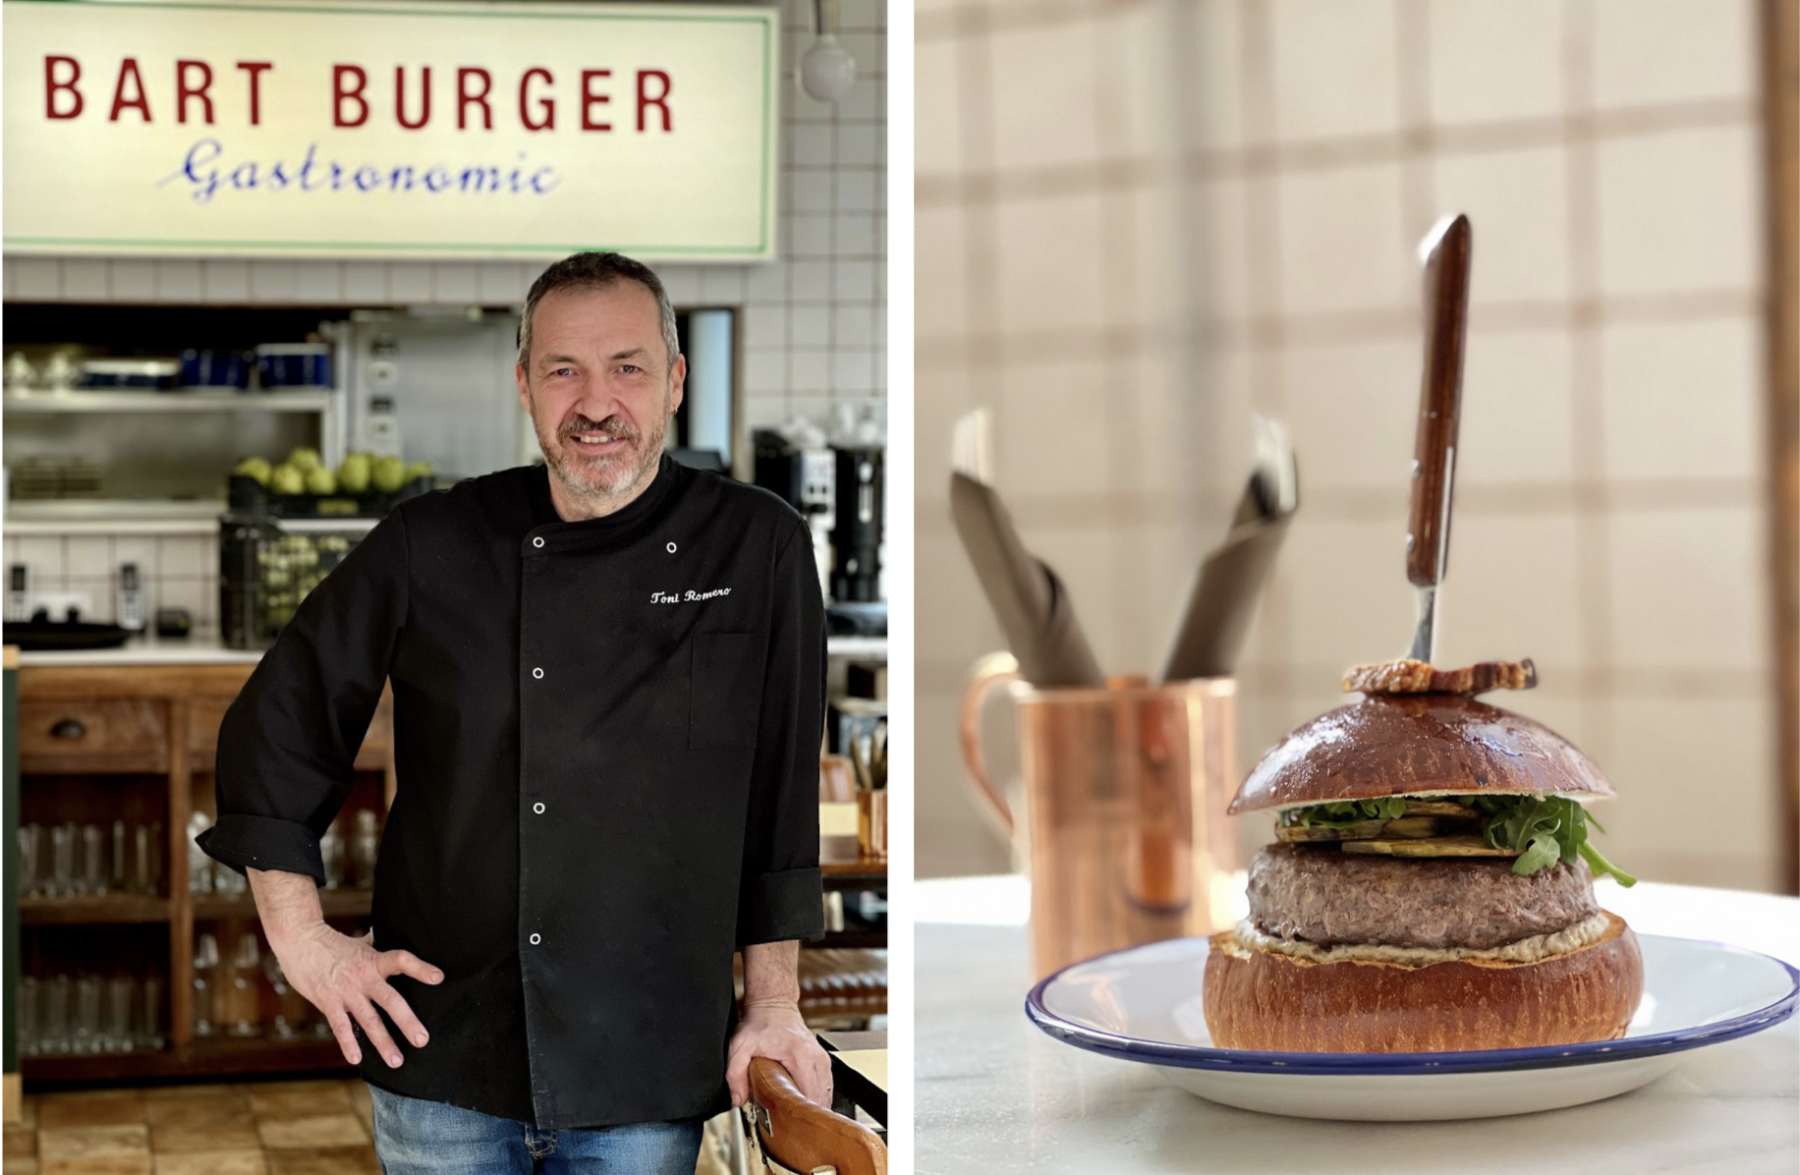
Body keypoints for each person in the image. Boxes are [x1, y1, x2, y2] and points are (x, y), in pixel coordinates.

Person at [199, 252, 832, 1174]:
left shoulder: (758, 543)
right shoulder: (431, 540)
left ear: (675, 382)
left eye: (628, 367)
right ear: (524, 386)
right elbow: (280, 722)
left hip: (645, 1059)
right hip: (444, 1048)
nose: (596, 402)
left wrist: (773, 1002)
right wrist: (304, 943)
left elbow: (778, 799)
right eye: (562, 369)